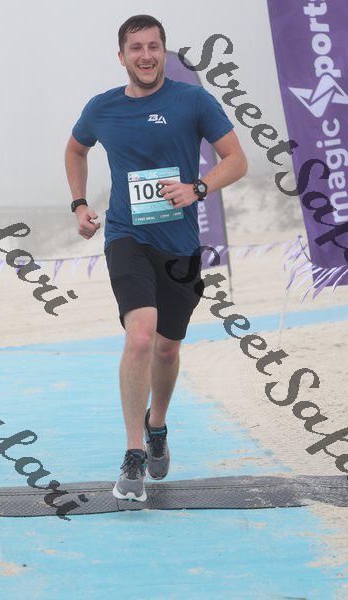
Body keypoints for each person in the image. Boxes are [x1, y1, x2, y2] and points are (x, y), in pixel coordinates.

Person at [65, 14, 248, 502]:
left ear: (164, 52)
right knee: (141, 336)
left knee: (167, 348)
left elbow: (237, 159)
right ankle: (133, 452)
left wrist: (198, 188)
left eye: (153, 46)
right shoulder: (102, 108)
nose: (145, 55)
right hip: (127, 237)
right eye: (136, 48)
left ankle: (157, 425)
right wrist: (79, 204)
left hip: (180, 247)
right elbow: (75, 151)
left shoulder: (193, 101)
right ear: (121, 56)